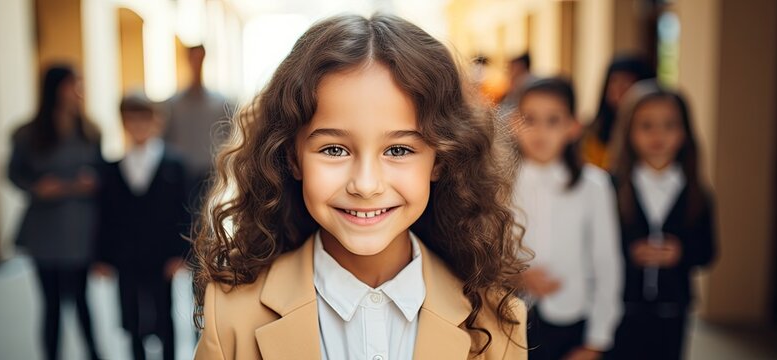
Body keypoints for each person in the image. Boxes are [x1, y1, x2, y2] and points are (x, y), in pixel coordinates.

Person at [192, 14, 530, 359]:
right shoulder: (232, 315)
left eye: (398, 150)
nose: (366, 185)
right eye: (334, 149)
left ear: (440, 160)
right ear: (292, 158)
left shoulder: (498, 323)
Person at [512, 78, 623, 360]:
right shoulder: (501, 183)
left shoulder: (594, 186)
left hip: (572, 318)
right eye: (530, 119)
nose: (540, 131)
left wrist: (598, 340)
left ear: (573, 126)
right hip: (511, 315)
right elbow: (487, 247)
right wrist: (516, 275)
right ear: (514, 123)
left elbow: (607, 262)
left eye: (553, 120)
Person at [607, 80, 717, 360]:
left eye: (670, 125)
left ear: (684, 132)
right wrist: (628, 253)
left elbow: (708, 251)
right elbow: (599, 244)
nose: (658, 134)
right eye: (646, 126)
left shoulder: (696, 192)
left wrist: (681, 253)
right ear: (629, 131)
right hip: (622, 305)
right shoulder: (613, 187)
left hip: (674, 308)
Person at [8, 65, 102, 360]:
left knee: (82, 300)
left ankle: (94, 353)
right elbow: (13, 173)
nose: (79, 92)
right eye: (74, 85)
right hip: (45, 229)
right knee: (50, 303)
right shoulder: (27, 133)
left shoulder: (90, 131)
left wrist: (94, 182)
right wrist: (37, 186)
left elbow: (103, 171)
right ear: (57, 88)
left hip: (79, 227)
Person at [95, 93, 189, 360]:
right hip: (127, 256)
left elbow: (185, 211)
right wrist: (103, 256)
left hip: (161, 255)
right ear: (123, 123)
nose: (138, 126)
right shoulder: (114, 168)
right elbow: (107, 216)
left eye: (144, 119)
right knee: (131, 317)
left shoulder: (174, 164)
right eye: (131, 119)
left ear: (156, 122)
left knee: (164, 313)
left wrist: (181, 253)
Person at [163, 45, 231, 211]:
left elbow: (229, 139)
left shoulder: (220, 103)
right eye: (193, 58)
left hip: (210, 173)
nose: (197, 62)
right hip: (181, 175)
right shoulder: (174, 105)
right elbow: (166, 138)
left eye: (200, 58)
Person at [582, 55, 654, 169]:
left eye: (626, 82)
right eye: (614, 82)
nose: (618, 89)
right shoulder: (592, 131)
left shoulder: (653, 132)